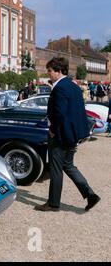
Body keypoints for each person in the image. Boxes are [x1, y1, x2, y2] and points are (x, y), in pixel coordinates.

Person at [34, 57, 100, 212]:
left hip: (60, 135)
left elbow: (60, 113)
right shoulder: (74, 86)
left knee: (56, 169)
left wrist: (52, 131)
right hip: (71, 134)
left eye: (50, 71)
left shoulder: (60, 88)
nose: (48, 73)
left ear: (58, 71)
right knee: (68, 166)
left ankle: (53, 203)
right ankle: (90, 195)